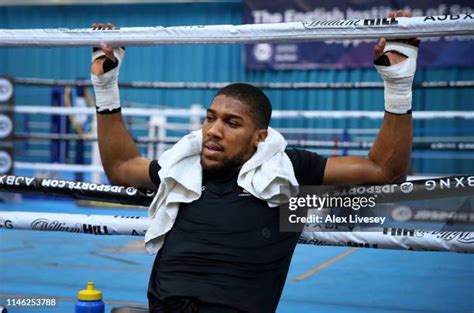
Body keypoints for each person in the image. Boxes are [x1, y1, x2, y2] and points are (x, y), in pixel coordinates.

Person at [91, 10, 418, 313]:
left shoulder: (287, 169)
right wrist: (105, 84)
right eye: (210, 118)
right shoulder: (185, 166)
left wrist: (398, 82)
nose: (213, 131)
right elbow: (121, 167)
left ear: (259, 137)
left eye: (232, 123)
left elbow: (384, 171)